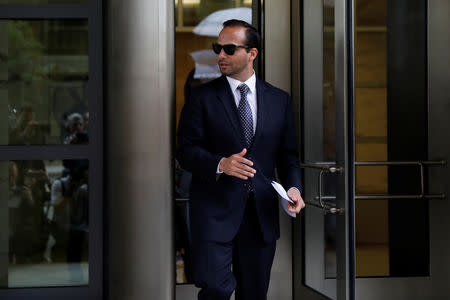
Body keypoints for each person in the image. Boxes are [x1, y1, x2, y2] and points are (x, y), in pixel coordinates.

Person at [176, 19, 305, 300]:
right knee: (216, 291)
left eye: (229, 49)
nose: (220, 55)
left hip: (260, 216)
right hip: (213, 214)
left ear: (252, 53)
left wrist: (294, 188)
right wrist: (221, 163)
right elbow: (185, 151)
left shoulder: (279, 100)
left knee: (254, 295)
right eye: (217, 48)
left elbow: (288, 155)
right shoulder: (201, 98)